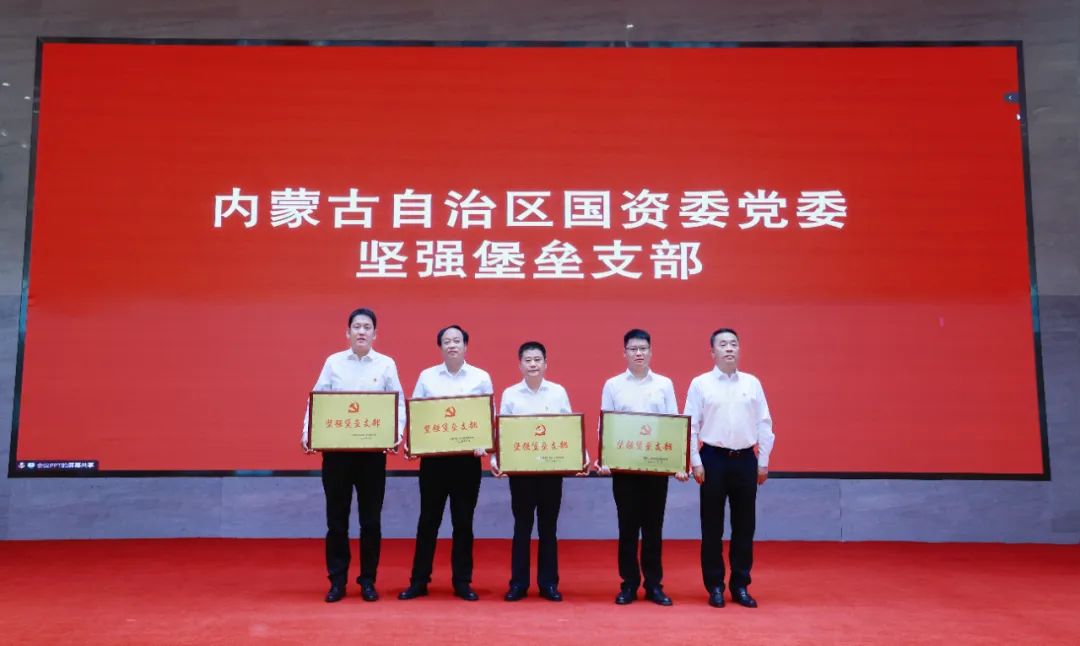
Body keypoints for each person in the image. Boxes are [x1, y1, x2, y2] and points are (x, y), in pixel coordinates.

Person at [302, 307, 406, 603]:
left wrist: (395, 434)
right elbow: (316, 401)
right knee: (337, 520)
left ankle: (368, 581)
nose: (362, 331)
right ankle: (337, 581)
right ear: (347, 333)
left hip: (372, 456)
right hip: (337, 455)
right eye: (357, 326)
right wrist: (308, 433)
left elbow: (398, 404)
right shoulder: (333, 362)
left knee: (370, 521)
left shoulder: (386, 364)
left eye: (367, 327)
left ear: (375, 334)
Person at [399, 325, 494, 602]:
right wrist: (413, 442)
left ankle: (462, 581)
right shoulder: (427, 377)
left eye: (457, 340)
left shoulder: (480, 377)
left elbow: (489, 415)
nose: (452, 345)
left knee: (463, 522)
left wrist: (485, 442)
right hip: (434, 461)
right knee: (428, 521)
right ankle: (419, 581)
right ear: (440, 347)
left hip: (466, 462)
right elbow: (417, 414)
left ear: (466, 345)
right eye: (446, 341)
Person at [684, 328, 774, 609]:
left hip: (746, 459)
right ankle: (714, 585)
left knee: (745, 525)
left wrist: (763, 461)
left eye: (734, 344)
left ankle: (740, 585)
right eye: (723, 344)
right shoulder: (700, 384)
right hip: (713, 458)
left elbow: (764, 423)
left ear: (739, 349)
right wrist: (696, 462)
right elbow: (690, 425)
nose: (729, 349)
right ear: (712, 352)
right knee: (712, 526)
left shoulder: (752, 383)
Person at [598, 329, 688, 607]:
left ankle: (653, 585)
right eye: (633, 349)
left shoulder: (664, 384)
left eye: (643, 348)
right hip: (625, 469)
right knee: (627, 528)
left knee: (653, 528)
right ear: (624, 353)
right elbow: (605, 424)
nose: (638, 353)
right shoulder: (613, 385)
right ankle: (628, 584)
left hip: (655, 468)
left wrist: (678, 463)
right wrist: (604, 459)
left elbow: (673, 423)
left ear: (651, 352)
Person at [492, 341, 582, 602]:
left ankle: (548, 584)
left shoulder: (557, 392)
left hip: (550, 471)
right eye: (528, 360)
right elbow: (502, 431)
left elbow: (568, 428)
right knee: (522, 527)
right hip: (521, 472)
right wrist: (498, 459)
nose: (533, 364)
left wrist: (578, 458)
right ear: (520, 365)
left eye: (537, 360)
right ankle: (518, 584)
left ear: (545, 364)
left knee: (548, 528)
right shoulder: (511, 394)